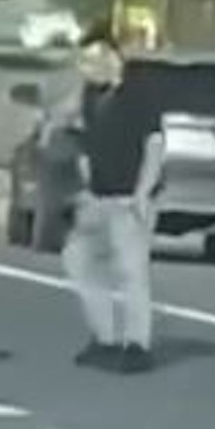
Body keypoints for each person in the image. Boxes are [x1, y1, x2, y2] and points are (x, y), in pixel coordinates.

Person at [62, 24, 164, 374]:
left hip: (127, 200)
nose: (85, 69)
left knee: (131, 272)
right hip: (96, 199)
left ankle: (137, 344)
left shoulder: (140, 94)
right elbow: (86, 141)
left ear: (111, 56)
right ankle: (104, 337)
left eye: (91, 61)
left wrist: (142, 193)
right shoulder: (92, 95)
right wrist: (84, 181)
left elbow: (154, 146)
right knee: (78, 260)